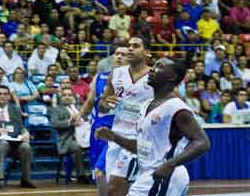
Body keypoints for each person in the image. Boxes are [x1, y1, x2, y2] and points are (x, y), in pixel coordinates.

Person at [96, 58, 211, 196]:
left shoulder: (176, 107)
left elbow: (203, 142)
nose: (152, 69)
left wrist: (170, 164)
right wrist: (113, 137)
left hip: (165, 174)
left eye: (159, 66)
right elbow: (143, 148)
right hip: (148, 174)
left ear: (172, 76)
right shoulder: (146, 105)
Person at [98, 37, 153, 196]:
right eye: (129, 46)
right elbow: (102, 105)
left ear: (147, 53)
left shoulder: (155, 77)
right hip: (116, 136)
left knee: (114, 189)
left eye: (135, 46)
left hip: (138, 140)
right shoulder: (116, 74)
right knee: (115, 188)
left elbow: (174, 103)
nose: (130, 49)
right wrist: (105, 104)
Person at [79, 45, 128, 196]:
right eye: (117, 54)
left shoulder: (134, 81)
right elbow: (90, 101)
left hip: (118, 132)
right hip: (98, 130)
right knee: (99, 174)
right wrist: (79, 116)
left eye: (123, 54)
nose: (119, 56)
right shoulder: (100, 77)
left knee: (109, 174)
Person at [51, 88, 88, 183]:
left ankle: (97, 173)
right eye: (65, 95)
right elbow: (54, 124)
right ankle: (81, 175)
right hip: (67, 140)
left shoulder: (79, 109)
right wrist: (69, 122)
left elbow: (86, 120)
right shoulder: (56, 109)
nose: (67, 97)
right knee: (77, 147)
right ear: (61, 97)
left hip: (84, 135)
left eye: (70, 95)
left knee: (99, 143)